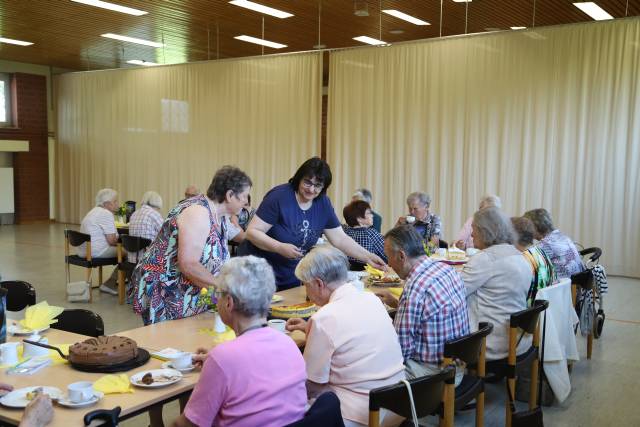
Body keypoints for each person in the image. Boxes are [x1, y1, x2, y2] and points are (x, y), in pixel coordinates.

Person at [172, 256, 306, 427]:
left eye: (219, 294)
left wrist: (217, 363)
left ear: (229, 303)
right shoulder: (288, 343)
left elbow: (188, 424)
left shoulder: (223, 358)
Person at [286, 246, 404, 427]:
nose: (307, 292)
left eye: (306, 285)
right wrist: (310, 329)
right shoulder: (371, 299)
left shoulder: (324, 318)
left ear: (319, 283)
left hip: (362, 414)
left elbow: (313, 385)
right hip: (398, 402)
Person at [131, 166, 251, 325]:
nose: (246, 202)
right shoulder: (198, 212)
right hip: (168, 290)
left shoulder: (220, 216)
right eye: (244, 196)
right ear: (229, 195)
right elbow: (189, 264)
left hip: (191, 289)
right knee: (175, 343)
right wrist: (225, 287)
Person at [246, 157, 385, 290]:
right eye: (307, 182)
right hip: (260, 272)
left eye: (318, 185)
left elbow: (340, 239)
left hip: (291, 273)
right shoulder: (279, 197)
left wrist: (369, 257)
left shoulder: (323, 203)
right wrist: (279, 247)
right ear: (298, 178)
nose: (311, 189)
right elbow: (253, 232)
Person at [375, 226, 469, 381]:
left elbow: (401, 349)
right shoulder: (446, 268)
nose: (389, 264)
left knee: (366, 370)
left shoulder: (415, 287)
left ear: (401, 256)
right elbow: (430, 313)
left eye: (388, 257)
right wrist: (398, 304)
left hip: (434, 376)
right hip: (457, 365)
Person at [461, 208, 532, 360]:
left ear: (485, 231)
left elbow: (454, 292)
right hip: (519, 340)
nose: (471, 235)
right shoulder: (519, 255)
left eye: (474, 230)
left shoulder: (485, 259)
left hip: (492, 344)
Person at [79, 188, 119, 295]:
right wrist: (124, 242)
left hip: (85, 251)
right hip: (97, 252)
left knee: (126, 251)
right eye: (115, 201)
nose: (117, 204)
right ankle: (110, 284)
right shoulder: (106, 213)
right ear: (107, 204)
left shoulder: (93, 211)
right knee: (132, 253)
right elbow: (112, 241)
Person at [524, 208, 584, 279]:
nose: (525, 229)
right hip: (579, 286)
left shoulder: (546, 245)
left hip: (563, 287)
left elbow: (522, 265)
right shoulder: (563, 237)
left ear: (535, 226)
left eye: (527, 226)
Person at [511, 216, 557, 304]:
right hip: (542, 311)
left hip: (525, 312)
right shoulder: (541, 252)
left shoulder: (521, 261)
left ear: (513, 236)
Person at [341, 200, 386, 270]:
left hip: (348, 271)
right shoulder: (371, 234)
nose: (372, 215)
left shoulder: (344, 231)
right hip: (371, 273)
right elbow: (387, 255)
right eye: (368, 213)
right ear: (359, 219)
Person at [128, 191, 164, 263]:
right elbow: (167, 232)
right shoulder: (154, 214)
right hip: (148, 260)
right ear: (157, 204)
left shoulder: (134, 214)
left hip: (132, 260)